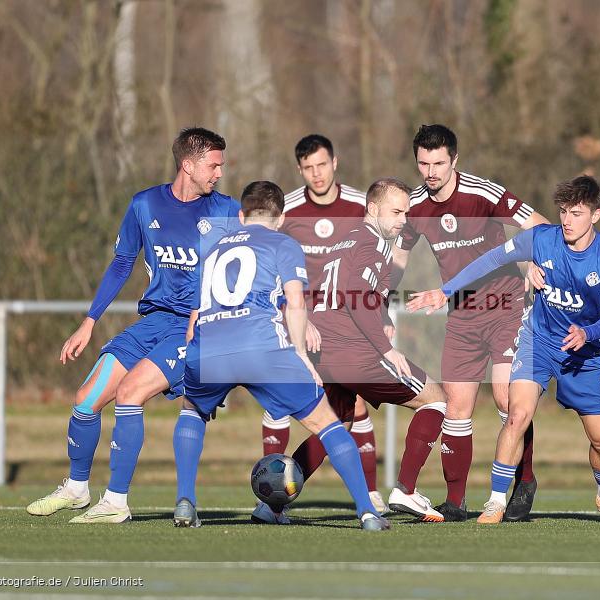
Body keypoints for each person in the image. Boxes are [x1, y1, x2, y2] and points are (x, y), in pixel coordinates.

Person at [26, 127, 240, 523]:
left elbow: (245, 271)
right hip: (151, 322)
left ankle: (116, 502)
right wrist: (89, 321)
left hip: (192, 329)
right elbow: (122, 263)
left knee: (129, 394)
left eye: (220, 166)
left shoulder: (226, 211)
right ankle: (76, 489)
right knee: (85, 399)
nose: (219, 174)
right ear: (188, 165)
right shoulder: (144, 205)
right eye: (213, 165)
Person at [408, 175, 600, 525]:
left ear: (596, 215)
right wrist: (445, 291)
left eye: (577, 214)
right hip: (537, 342)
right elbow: (489, 260)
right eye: (564, 212)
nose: (567, 220)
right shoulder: (542, 239)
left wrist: (587, 332)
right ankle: (494, 501)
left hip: (583, 355)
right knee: (516, 414)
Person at [178, 180, 390, 531]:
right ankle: (367, 512)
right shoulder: (283, 242)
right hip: (263, 347)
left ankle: (185, 502)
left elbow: (197, 313)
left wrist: (196, 361)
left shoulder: (213, 248)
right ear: (282, 217)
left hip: (209, 347)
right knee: (327, 422)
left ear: (242, 216)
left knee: (191, 411)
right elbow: (295, 303)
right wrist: (302, 356)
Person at [262, 178, 449, 524]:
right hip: (355, 351)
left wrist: (378, 315)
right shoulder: (371, 245)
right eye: (395, 212)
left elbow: (340, 291)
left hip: (327, 351)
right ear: (373, 209)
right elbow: (354, 295)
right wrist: (384, 347)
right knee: (435, 399)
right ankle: (405, 489)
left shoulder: (344, 241)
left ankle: (271, 505)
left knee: (335, 425)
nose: (402, 220)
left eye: (407, 213)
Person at [391, 124, 548, 521]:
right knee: (456, 406)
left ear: (454, 160)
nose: (430, 171)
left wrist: (534, 260)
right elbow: (397, 259)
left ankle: (524, 480)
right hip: (461, 314)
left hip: (506, 306)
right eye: (423, 163)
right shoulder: (414, 206)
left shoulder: (484, 193)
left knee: (504, 397)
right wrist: (376, 294)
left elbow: (540, 226)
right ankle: (456, 502)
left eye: (438, 163)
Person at [259, 134, 385, 514]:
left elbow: (377, 263)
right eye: (308, 168)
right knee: (280, 406)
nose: (316, 174)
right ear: (299, 170)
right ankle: (272, 498)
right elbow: (265, 259)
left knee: (352, 408)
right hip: (299, 321)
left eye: (321, 165)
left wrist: (383, 316)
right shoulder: (289, 209)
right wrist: (293, 314)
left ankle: (370, 493)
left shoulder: (362, 205)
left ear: (336, 162)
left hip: (349, 325)